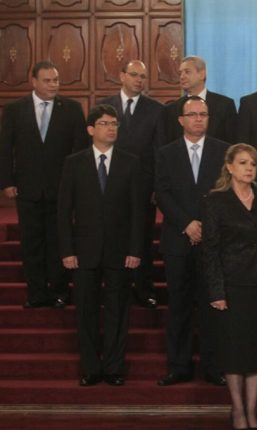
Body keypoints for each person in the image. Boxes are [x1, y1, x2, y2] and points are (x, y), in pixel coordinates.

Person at [202, 144, 257, 429]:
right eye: (243, 163)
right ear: (229, 167)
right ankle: (238, 410)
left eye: (253, 163)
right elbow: (210, 250)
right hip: (232, 286)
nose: (249, 168)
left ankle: (252, 410)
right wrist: (216, 291)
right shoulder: (216, 201)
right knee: (234, 352)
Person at [58, 104, 143, 387]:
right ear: (90, 129)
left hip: (120, 251)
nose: (111, 128)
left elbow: (138, 212)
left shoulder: (131, 162)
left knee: (118, 311)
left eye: (114, 123)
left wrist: (135, 250)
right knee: (86, 311)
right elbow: (63, 211)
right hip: (84, 251)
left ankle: (114, 367)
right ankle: (91, 368)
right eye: (105, 124)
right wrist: (67, 251)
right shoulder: (74, 163)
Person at [154, 96, 229, 387]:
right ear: (181, 120)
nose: (198, 119)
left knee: (213, 306)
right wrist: (187, 224)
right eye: (193, 114)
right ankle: (178, 366)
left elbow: (225, 194)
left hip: (214, 242)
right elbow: (162, 193)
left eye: (203, 114)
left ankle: (214, 366)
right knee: (179, 306)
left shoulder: (223, 151)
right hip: (177, 240)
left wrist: (206, 226)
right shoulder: (166, 153)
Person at [0, 60, 88, 308]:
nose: (53, 85)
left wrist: (77, 185)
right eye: (47, 80)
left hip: (61, 190)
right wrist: (6, 181)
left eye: (56, 80)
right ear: (34, 81)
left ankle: (60, 292)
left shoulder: (71, 109)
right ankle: (36, 293)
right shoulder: (15, 109)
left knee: (59, 242)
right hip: (27, 189)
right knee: (32, 243)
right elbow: (5, 147)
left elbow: (80, 150)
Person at [98, 59, 164, 309]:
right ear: (122, 76)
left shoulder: (156, 109)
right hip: (109, 185)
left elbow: (159, 151)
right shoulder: (104, 106)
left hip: (143, 188)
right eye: (134, 74)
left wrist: (157, 186)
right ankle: (114, 289)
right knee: (111, 238)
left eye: (143, 76)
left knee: (142, 239)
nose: (139, 80)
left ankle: (144, 288)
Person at [162, 55, 237, 145]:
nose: (182, 77)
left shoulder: (225, 105)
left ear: (202, 74)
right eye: (180, 73)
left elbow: (233, 144)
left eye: (187, 72)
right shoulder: (171, 109)